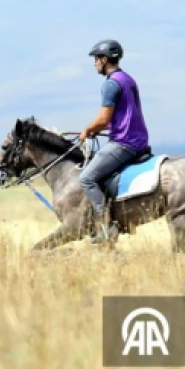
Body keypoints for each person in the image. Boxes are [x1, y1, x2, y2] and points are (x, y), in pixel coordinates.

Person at [78, 39, 150, 243]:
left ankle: (106, 226)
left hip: (124, 142)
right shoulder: (127, 79)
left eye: (96, 59)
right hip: (137, 138)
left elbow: (103, 119)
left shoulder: (110, 84)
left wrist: (88, 130)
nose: (94, 63)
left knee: (87, 178)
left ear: (105, 59)